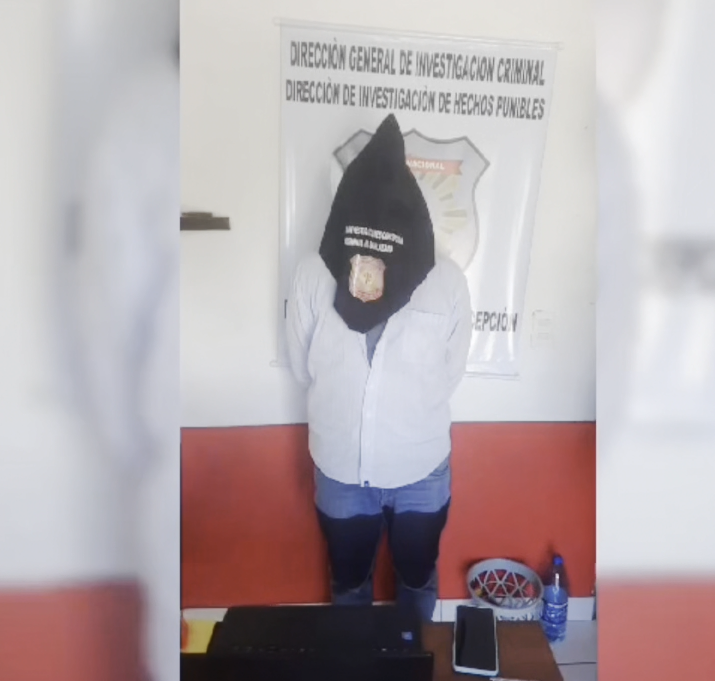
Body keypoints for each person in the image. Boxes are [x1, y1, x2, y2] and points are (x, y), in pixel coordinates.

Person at [286, 113, 472, 622]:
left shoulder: (445, 282)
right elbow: (303, 365)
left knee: (417, 576)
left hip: (421, 470)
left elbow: (449, 373)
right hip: (341, 469)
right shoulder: (313, 275)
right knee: (349, 582)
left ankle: (415, 656)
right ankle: (358, 660)